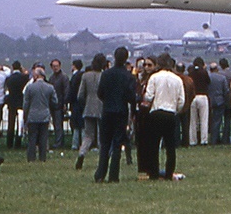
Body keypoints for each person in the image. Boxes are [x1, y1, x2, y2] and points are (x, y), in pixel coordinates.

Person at [94, 47, 138, 184]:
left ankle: (100, 173)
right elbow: (131, 96)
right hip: (121, 112)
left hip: (107, 111)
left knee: (105, 143)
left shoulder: (106, 74)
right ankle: (114, 175)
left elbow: (100, 92)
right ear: (126, 58)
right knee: (118, 143)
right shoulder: (128, 76)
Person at [143, 53, 185, 181]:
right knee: (170, 146)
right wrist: (175, 109)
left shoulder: (154, 78)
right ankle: (169, 173)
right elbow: (181, 101)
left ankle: (154, 173)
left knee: (154, 145)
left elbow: (148, 96)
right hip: (170, 113)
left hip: (156, 113)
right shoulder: (178, 79)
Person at [75, 53, 106, 170]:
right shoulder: (104, 75)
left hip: (88, 107)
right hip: (102, 108)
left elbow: (80, 95)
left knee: (88, 135)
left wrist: (85, 103)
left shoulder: (85, 76)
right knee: (102, 136)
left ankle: (81, 154)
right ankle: (102, 159)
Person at [23, 66, 58, 163]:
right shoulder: (50, 87)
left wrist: (25, 116)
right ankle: (42, 157)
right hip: (45, 115)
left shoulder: (30, 87)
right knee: (43, 137)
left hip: (33, 115)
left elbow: (26, 104)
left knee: (32, 138)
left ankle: (31, 158)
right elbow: (55, 102)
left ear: (36, 75)